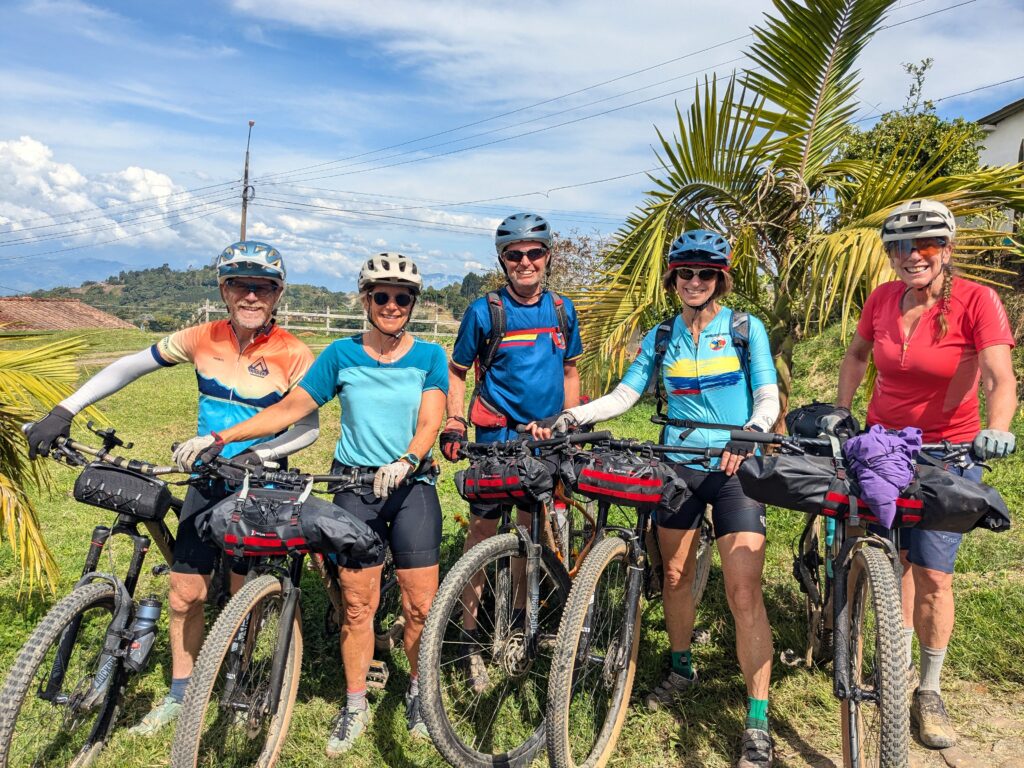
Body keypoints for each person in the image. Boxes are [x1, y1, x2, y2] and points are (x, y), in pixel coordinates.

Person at [24, 240, 318, 735]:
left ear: (278, 294)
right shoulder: (202, 337)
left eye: (263, 287)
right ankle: (181, 693)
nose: (251, 295)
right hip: (206, 475)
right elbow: (129, 365)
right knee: (184, 595)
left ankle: (239, 669)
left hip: (260, 479)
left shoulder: (294, 352)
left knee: (241, 594)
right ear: (224, 291)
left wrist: (260, 454)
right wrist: (65, 409)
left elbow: (307, 427)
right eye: (239, 285)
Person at [174, 253, 447, 757]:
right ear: (365, 300)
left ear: (412, 303)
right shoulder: (341, 354)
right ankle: (355, 702)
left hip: (412, 486)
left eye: (401, 297)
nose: (391, 305)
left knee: (421, 606)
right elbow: (289, 409)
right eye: (381, 296)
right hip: (356, 485)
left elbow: (432, 420)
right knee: (357, 606)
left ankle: (419, 692)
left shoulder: (429, 355)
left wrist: (408, 459)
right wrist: (221, 437)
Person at [529, 229, 780, 768]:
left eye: (706, 273)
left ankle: (758, 721)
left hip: (735, 467)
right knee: (675, 575)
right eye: (685, 272)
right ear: (673, 279)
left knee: (743, 591)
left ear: (720, 280)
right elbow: (626, 393)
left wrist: (753, 431)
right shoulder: (662, 336)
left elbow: (766, 394)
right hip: (677, 466)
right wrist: (572, 415)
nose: (695, 281)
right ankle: (682, 667)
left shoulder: (744, 328)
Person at [832, 199, 1017, 750]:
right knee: (892, 559)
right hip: (883, 448)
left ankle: (928, 689)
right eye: (899, 247)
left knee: (934, 573)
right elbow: (857, 355)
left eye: (926, 244)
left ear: (947, 248)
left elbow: (999, 376)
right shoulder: (882, 299)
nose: (912, 256)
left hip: (947, 452)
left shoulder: (977, 301)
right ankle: (897, 661)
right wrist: (842, 408)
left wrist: (998, 427)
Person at [438, 212, 582, 687]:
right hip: (496, 438)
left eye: (534, 253)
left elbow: (570, 370)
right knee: (482, 531)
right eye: (514, 254)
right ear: (503, 260)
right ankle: (468, 634)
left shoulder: (562, 310)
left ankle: (519, 622)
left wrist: (570, 421)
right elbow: (457, 371)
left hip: (545, 440)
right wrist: (455, 421)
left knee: (529, 530)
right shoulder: (486, 312)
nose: (525, 262)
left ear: (547, 257)